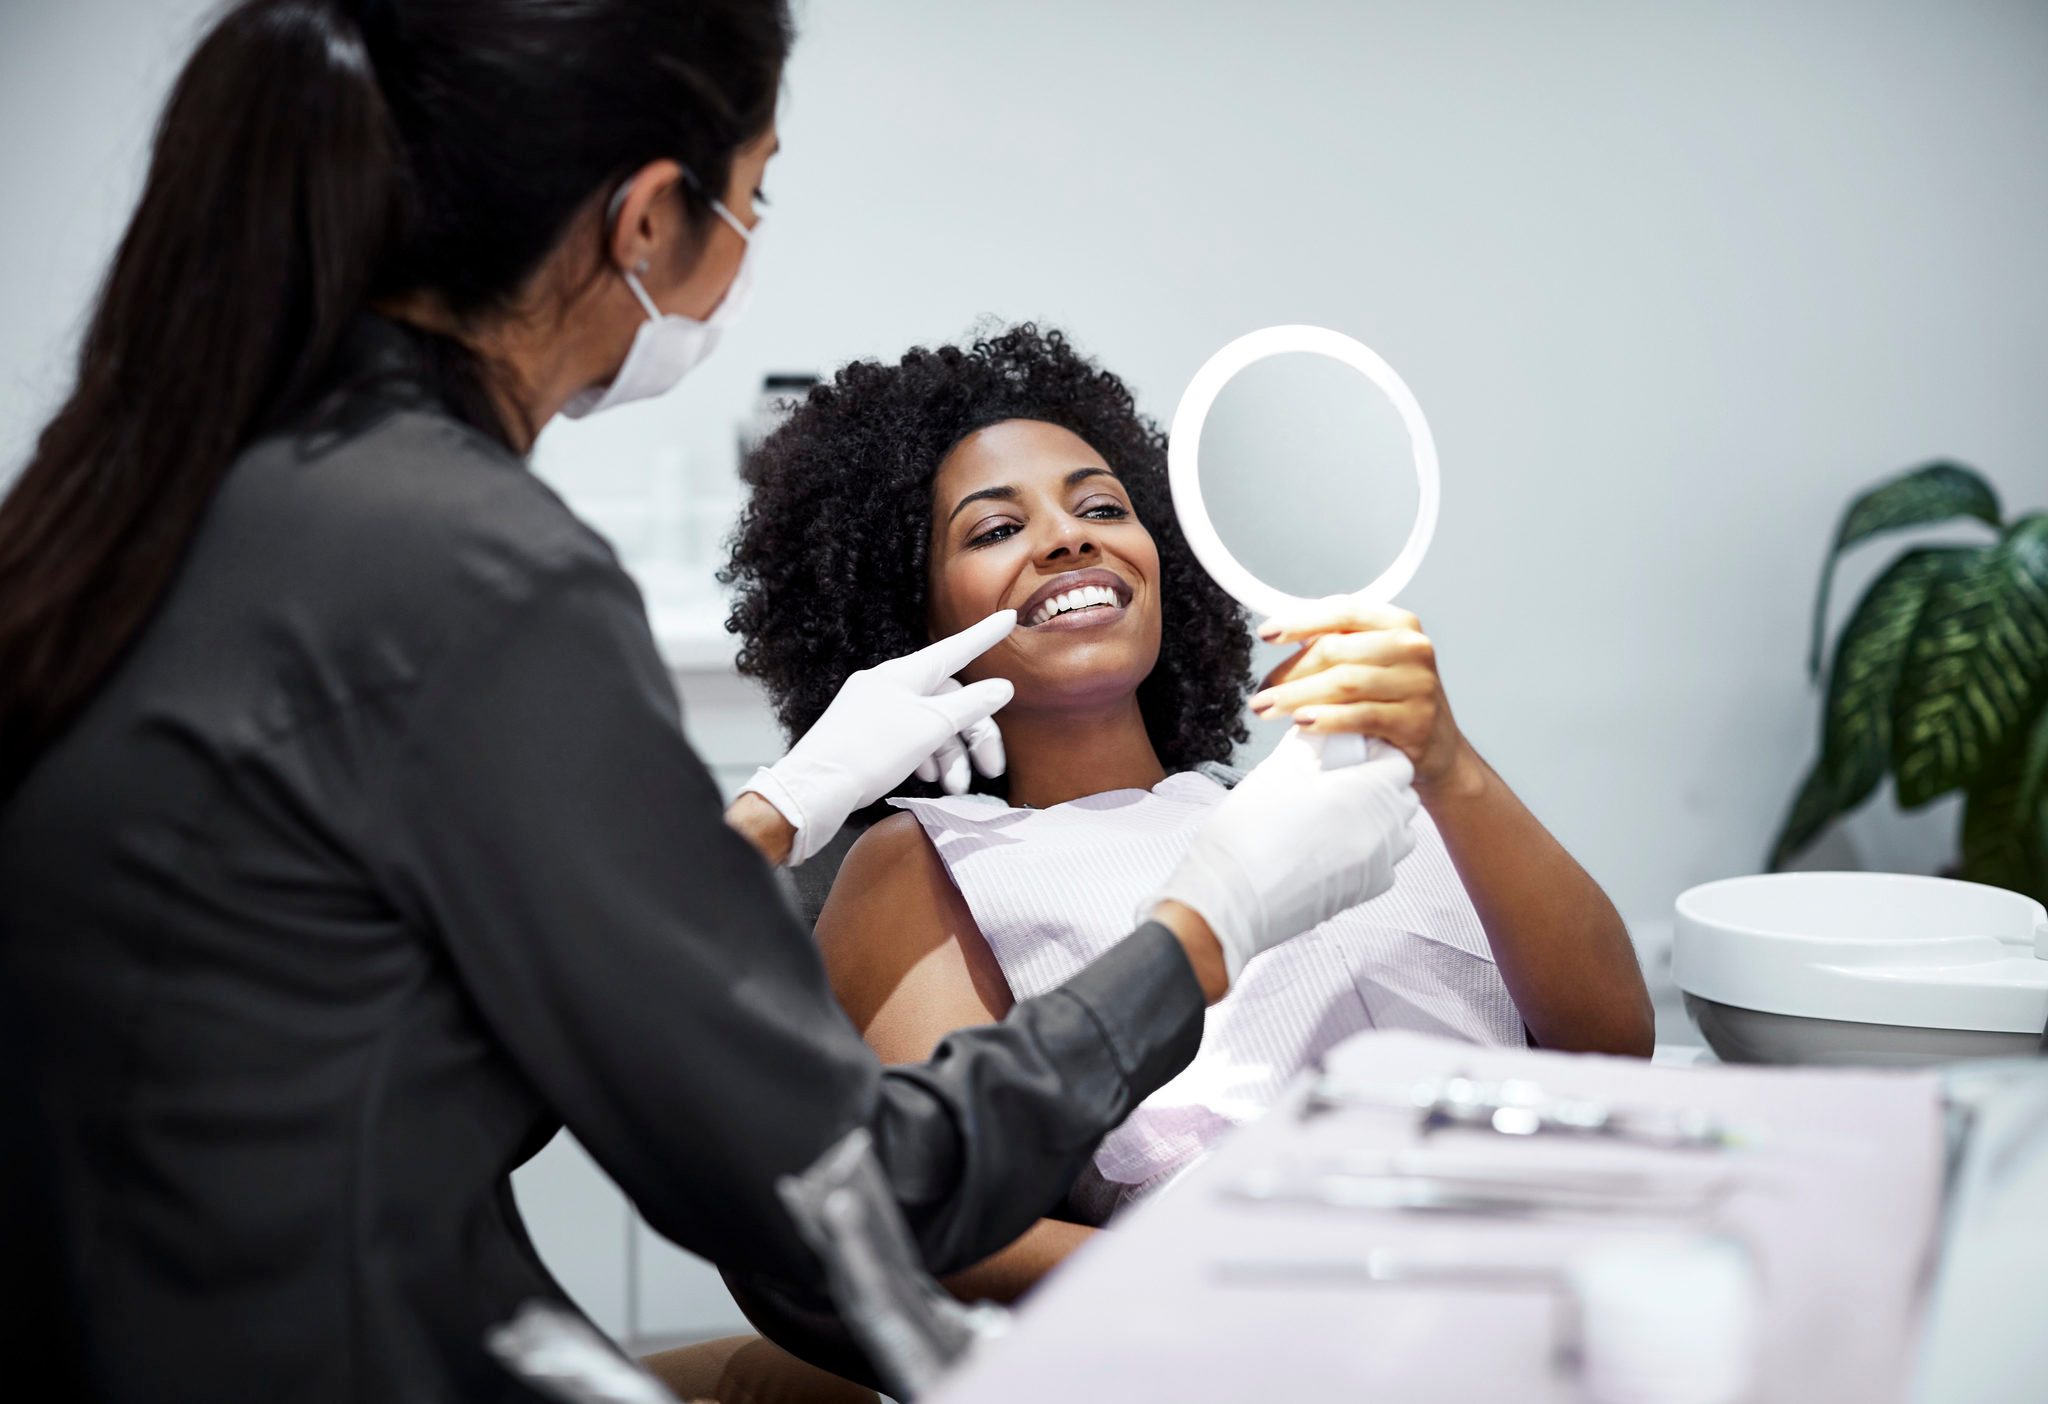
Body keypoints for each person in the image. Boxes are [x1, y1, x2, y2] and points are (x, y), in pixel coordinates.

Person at [0, 5, 1426, 1401]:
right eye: (752, 201)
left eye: (1098, 505)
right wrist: (1213, 921)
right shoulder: (478, 574)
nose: (1062, 545)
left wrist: (767, 809)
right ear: (645, 221)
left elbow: (436, 1026)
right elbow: (836, 1193)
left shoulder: (179, 489)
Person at [722, 325, 1657, 1299]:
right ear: (910, 619)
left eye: (1102, 507)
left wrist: (1448, 764)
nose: (1068, 537)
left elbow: (1609, 1044)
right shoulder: (928, 861)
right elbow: (917, 1223)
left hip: (1555, 1260)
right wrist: (1237, 1269)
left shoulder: (1338, 803)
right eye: (996, 530)